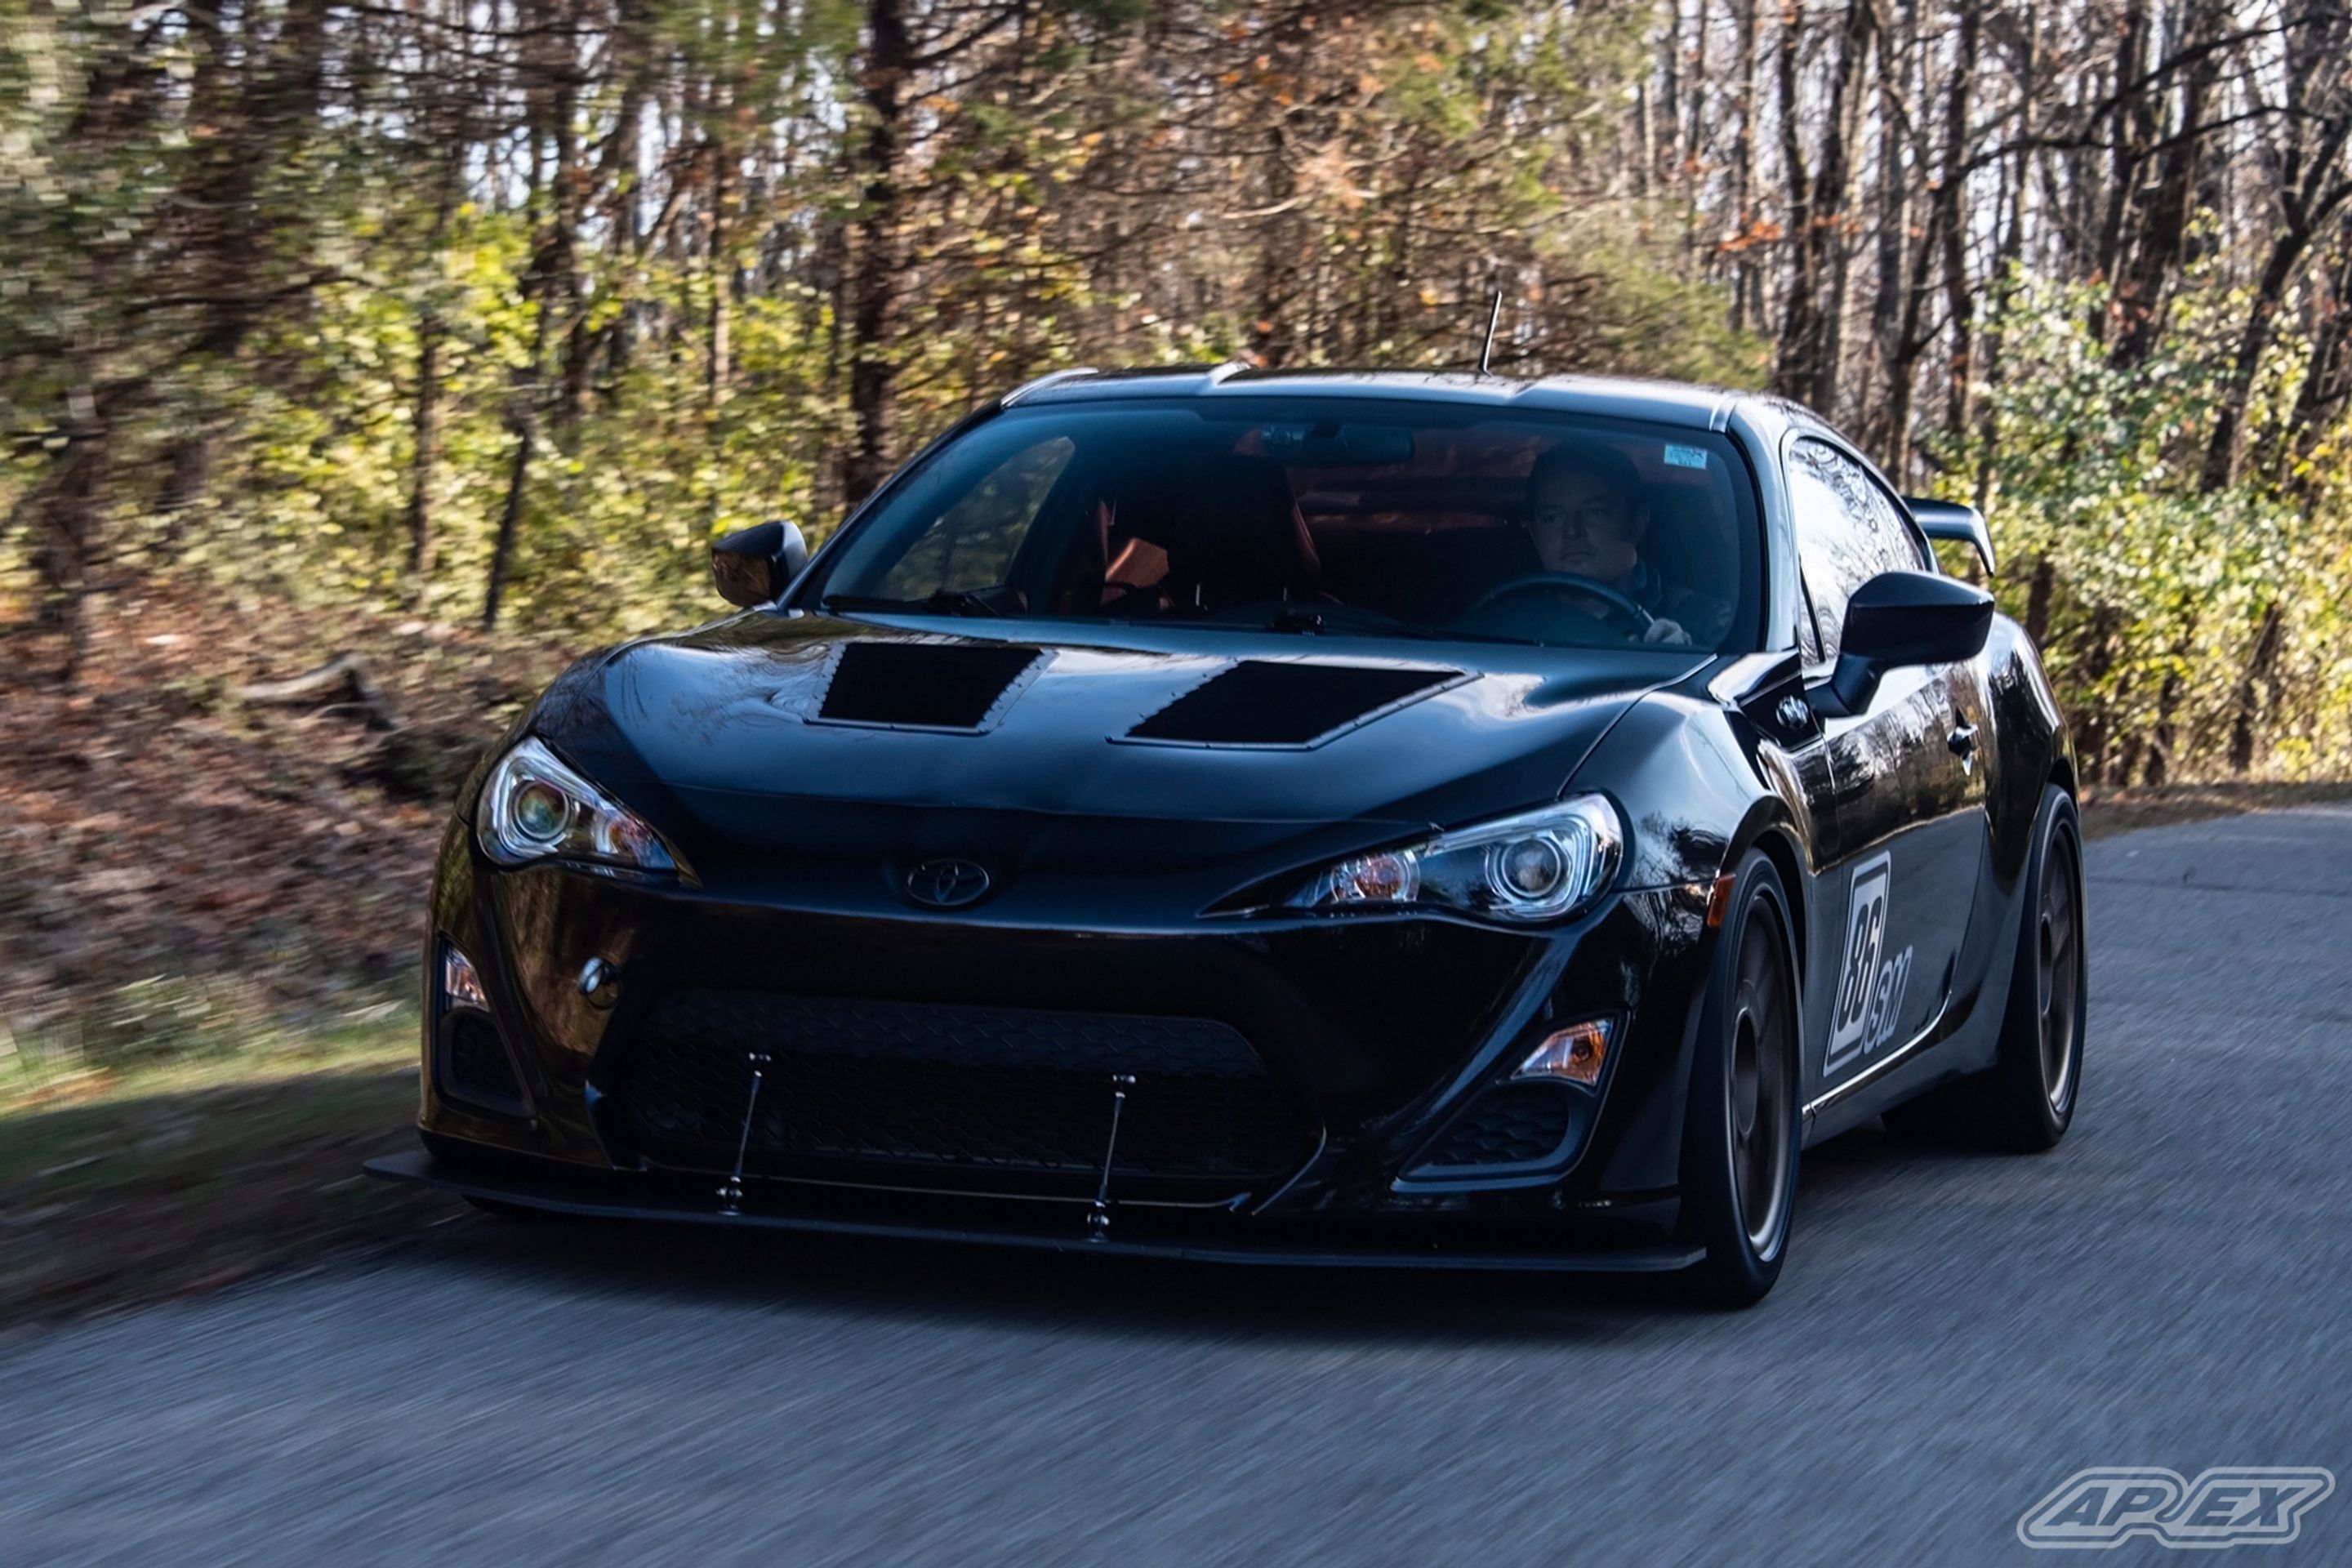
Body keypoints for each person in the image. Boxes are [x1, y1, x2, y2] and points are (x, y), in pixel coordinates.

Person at [1486, 439, 1734, 648]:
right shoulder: (1504, 623)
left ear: (1637, 523)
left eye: (1595, 512)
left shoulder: (1709, 623)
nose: (1572, 531)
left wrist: (1684, 667)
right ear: (1534, 534)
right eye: (1552, 517)